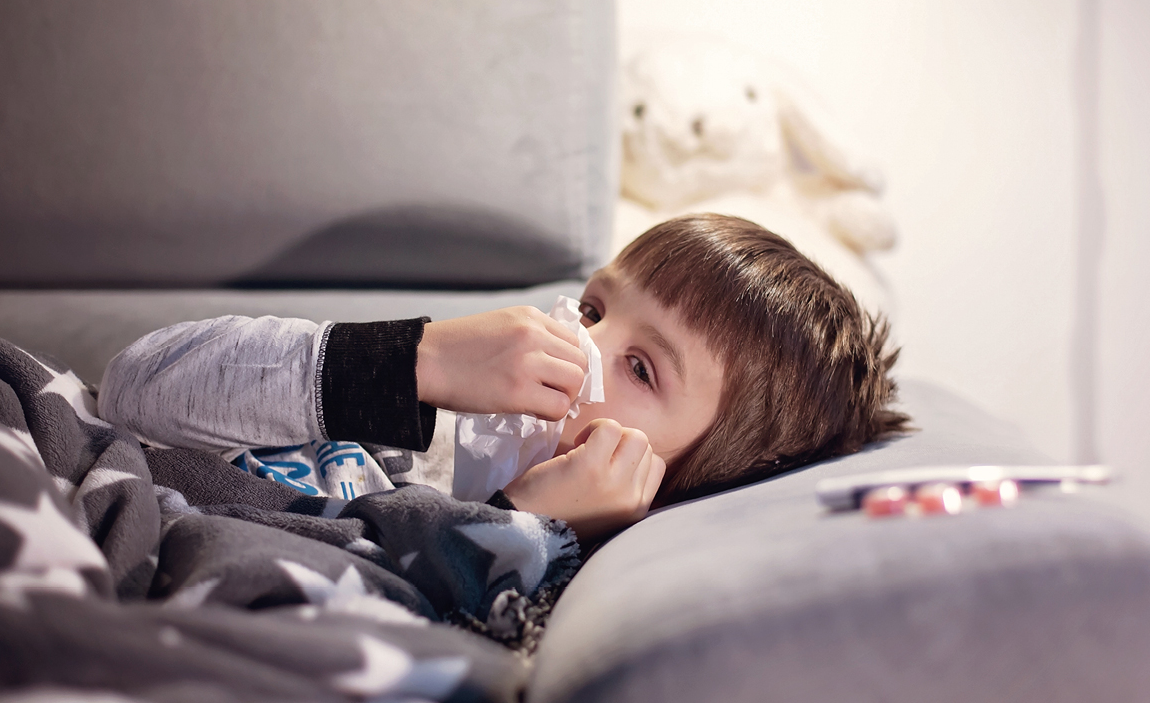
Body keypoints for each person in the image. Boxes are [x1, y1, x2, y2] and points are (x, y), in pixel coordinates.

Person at [99, 213, 908, 541]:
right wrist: (414, 360)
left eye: (638, 367)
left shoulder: (551, 572)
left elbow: (387, 604)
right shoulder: (411, 406)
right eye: (594, 308)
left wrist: (524, 521)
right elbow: (132, 388)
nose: (573, 335)